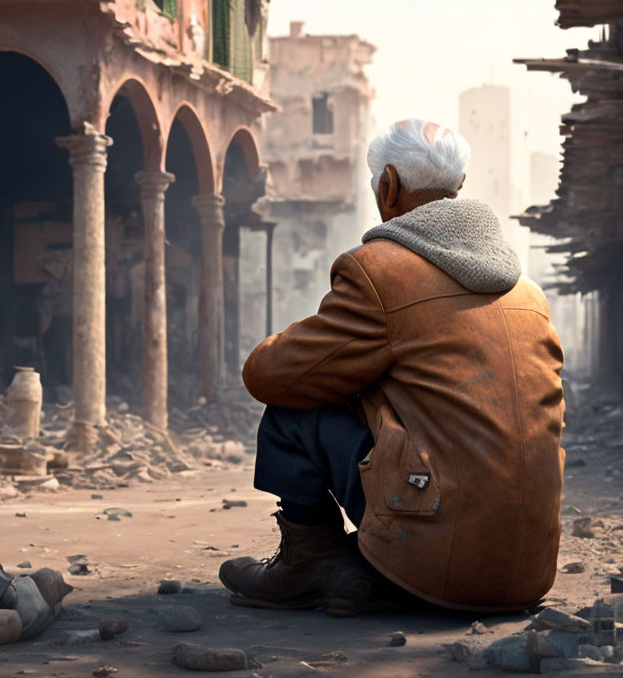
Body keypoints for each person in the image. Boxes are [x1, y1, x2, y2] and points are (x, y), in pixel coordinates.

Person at [219, 119, 565, 615]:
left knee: (294, 410)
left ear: (388, 185)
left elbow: (267, 374)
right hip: (527, 572)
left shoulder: (379, 271)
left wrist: (351, 377)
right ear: (458, 188)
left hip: (434, 561)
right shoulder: (527, 292)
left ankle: (310, 561)